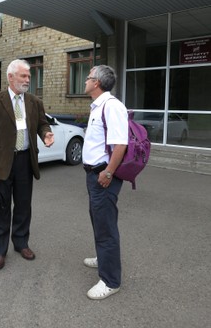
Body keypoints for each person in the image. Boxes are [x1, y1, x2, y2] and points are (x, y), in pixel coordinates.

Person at [0, 59, 54, 270]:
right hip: (3, 162)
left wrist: (46, 133)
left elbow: (42, 123)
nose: (27, 80)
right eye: (23, 76)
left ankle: (21, 243)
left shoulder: (33, 101)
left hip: (24, 160)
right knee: (1, 207)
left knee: (23, 205)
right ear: (10, 77)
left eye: (29, 76)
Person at [82, 64, 128, 300]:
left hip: (103, 176)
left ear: (97, 82)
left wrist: (108, 173)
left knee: (106, 227)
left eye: (89, 77)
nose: (86, 80)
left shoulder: (112, 107)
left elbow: (121, 144)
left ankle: (111, 281)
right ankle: (103, 257)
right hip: (94, 174)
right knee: (100, 221)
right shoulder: (98, 106)